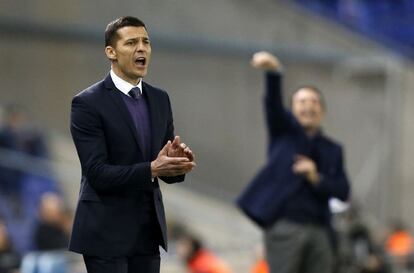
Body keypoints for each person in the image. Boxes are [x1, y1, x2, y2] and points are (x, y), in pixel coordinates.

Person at [69, 16, 196, 273]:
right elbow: (97, 173)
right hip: (105, 234)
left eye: (146, 42)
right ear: (111, 52)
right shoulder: (87, 104)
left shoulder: (160, 99)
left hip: (147, 232)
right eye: (131, 43)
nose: (141, 48)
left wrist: (176, 164)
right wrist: (152, 168)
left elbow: (162, 167)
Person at [237, 51, 350, 273]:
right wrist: (274, 72)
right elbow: (273, 104)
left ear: (322, 111)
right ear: (293, 109)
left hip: (320, 229)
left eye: (314, 102)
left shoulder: (333, 149)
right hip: (284, 227)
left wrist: (316, 177)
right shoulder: (283, 133)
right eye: (302, 101)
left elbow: (343, 190)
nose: (308, 105)